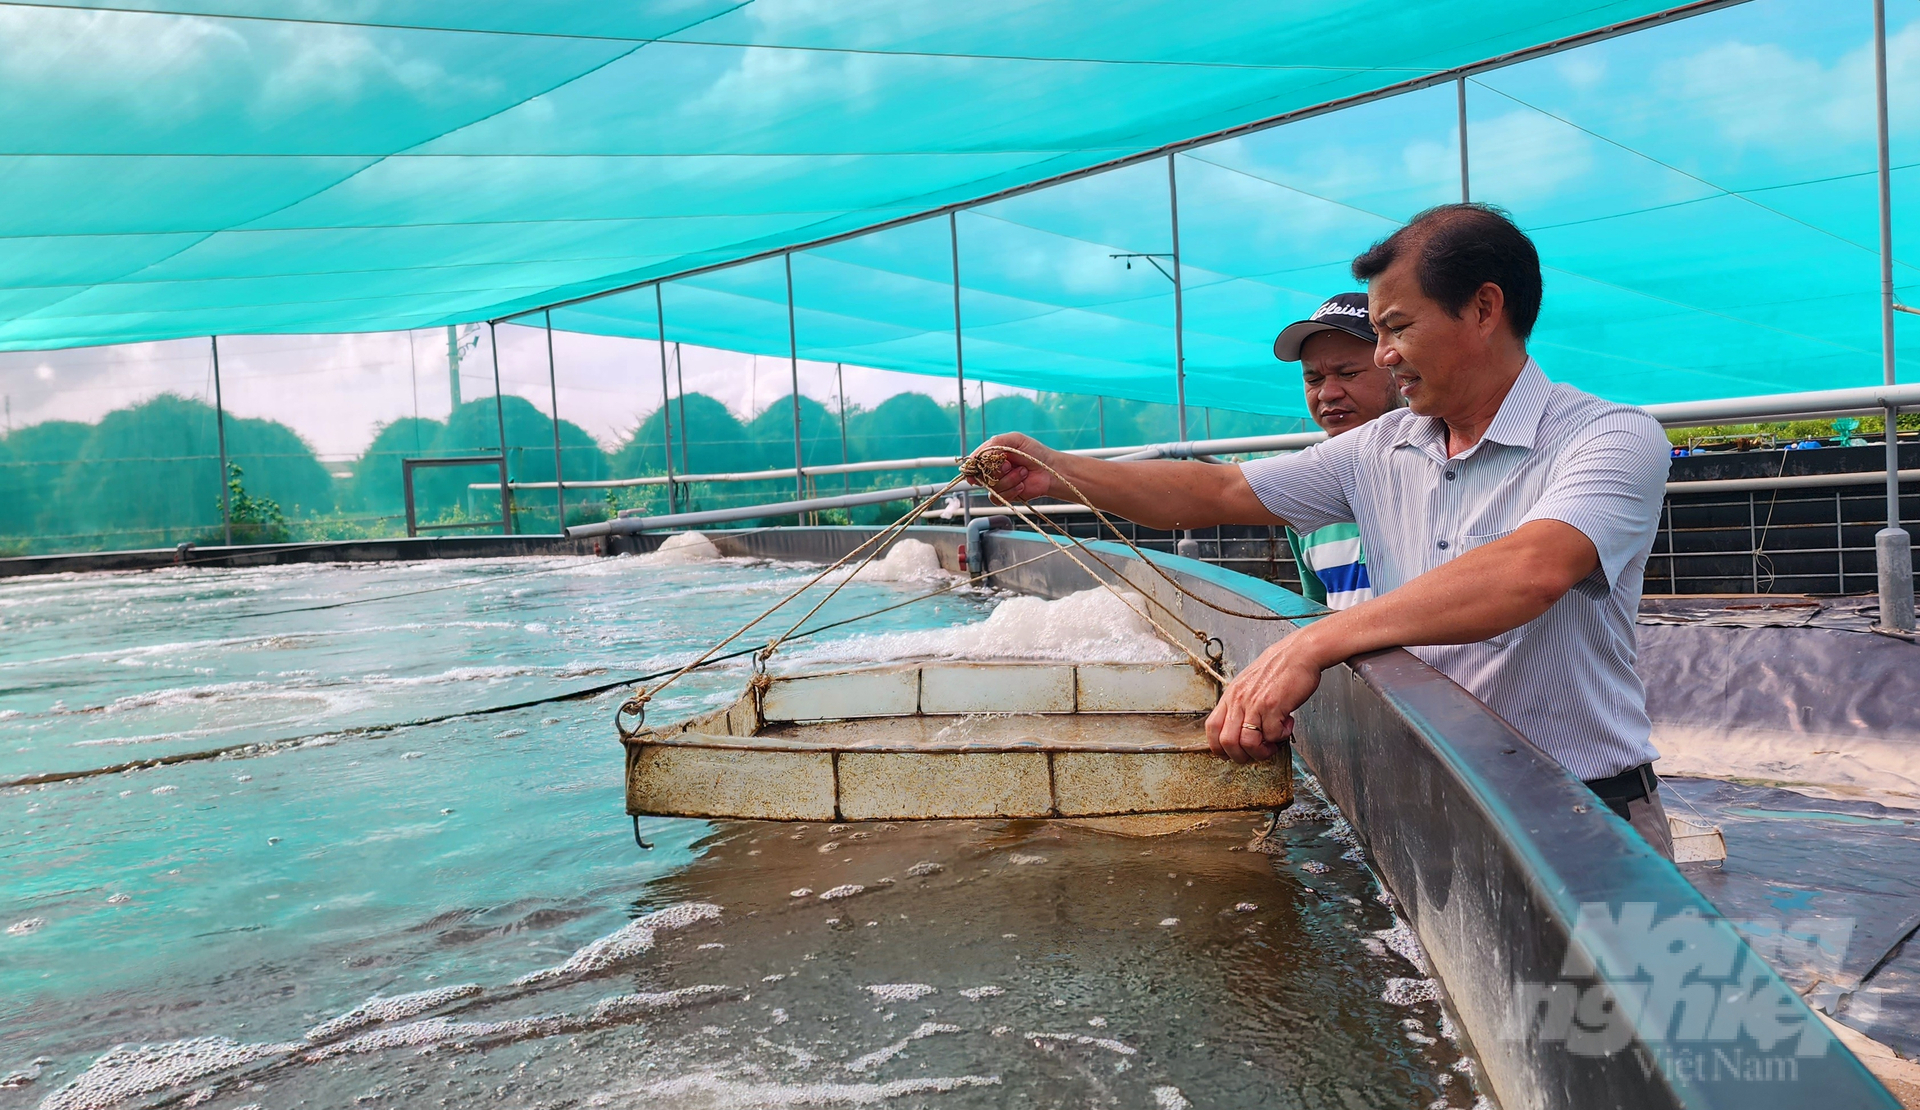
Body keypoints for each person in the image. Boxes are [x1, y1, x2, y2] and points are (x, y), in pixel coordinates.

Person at [973, 204, 1675, 857]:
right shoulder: (1380, 447)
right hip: (1444, 797)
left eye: (1397, 328)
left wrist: (1317, 640)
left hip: (1586, 810)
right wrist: (1058, 472)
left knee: (1600, 994)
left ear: (1484, 308)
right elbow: (1219, 488)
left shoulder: (1608, 436)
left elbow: (1532, 569)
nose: (1383, 356)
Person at [1271, 292, 1401, 609]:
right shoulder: (1302, 494)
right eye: (1313, 378)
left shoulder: (1446, 464)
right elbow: (1316, 609)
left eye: (1348, 374)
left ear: (1397, 368)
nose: (1328, 393)